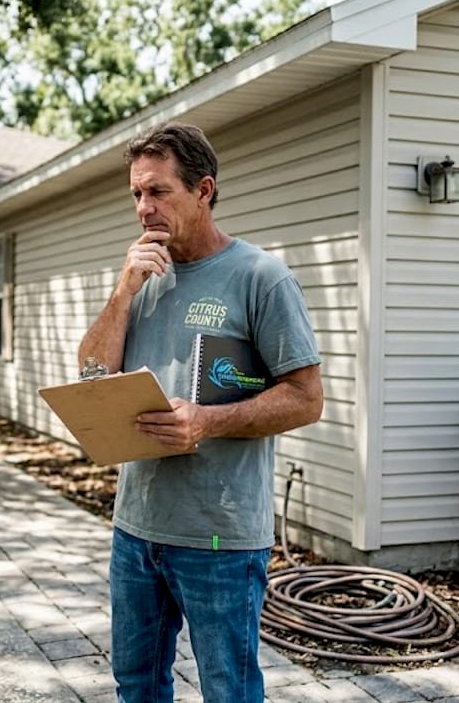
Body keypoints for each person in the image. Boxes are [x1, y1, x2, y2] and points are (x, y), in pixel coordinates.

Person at [78, 122, 323, 703]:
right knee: (135, 685)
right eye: (137, 194)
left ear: (204, 190)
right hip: (135, 527)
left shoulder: (262, 278)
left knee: (229, 691)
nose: (143, 208)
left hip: (221, 536)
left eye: (158, 192)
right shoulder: (143, 277)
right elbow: (91, 377)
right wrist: (122, 291)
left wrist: (206, 421)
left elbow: (307, 398)